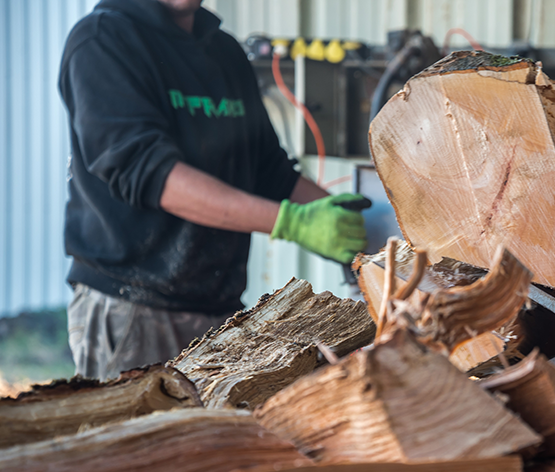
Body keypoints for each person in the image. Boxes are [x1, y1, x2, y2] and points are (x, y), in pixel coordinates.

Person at [59, 0, 368, 380]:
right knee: (140, 439)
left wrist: (362, 233)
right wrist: (292, 222)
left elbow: (269, 172)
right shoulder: (102, 40)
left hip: (220, 312)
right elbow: (152, 175)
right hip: (132, 311)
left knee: (218, 440)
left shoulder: (224, 52)